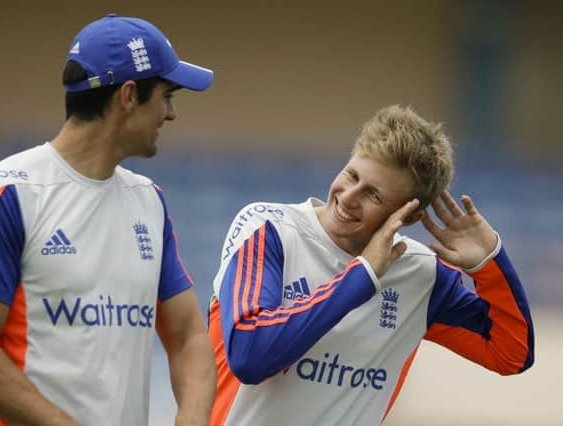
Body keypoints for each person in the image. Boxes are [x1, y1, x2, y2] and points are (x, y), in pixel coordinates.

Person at [0, 14, 216, 426]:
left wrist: (193, 420)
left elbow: (189, 337)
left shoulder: (148, 201)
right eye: (166, 95)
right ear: (128, 95)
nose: (171, 113)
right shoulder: (5, 196)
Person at [208, 105, 534, 426]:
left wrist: (489, 264)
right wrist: (361, 275)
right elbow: (249, 355)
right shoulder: (270, 229)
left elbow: (511, 353)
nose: (349, 197)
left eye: (373, 195)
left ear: (409, 217)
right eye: (351, 175)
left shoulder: (422, 275)